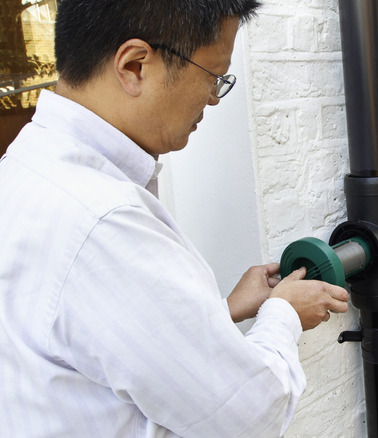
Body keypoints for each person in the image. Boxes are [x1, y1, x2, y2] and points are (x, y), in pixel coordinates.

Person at [0, 1, 350, 437]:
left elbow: (100, 351)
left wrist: (220, 315)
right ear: (134, 66)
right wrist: (283, 314)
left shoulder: (26, 167)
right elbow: (250, 415)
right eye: (213, 76)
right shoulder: (105, 224)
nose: (214, 98)